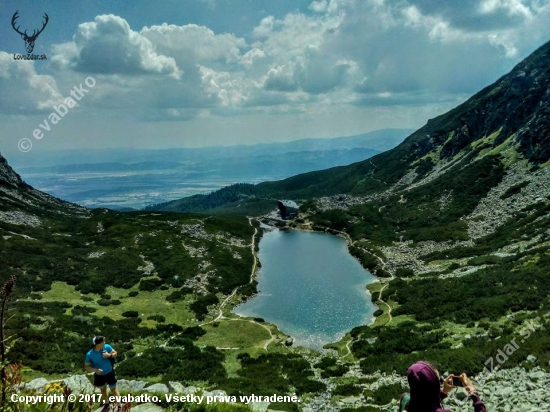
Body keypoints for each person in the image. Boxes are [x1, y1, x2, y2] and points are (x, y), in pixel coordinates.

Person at [399, 361, 486, 412]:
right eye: (437, 381)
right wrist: (473, 392)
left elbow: (427, 402)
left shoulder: (412, 406)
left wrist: (443, 392)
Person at [85, 336, 121, 412]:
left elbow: (115, 353)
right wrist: (95, 370)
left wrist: (110, 355)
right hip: (99, 375)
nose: (104, 342)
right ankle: (107, 405)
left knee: (113, 389)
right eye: (103, 342)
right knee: (103, 390)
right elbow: (87, 367)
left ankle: (119, 407)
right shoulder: (89, 355)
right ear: (98, 344)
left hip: (109, 371)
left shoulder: (107, 347)